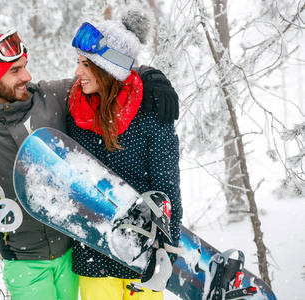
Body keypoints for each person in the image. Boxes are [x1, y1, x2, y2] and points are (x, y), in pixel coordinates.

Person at [0, 25, 178, 300]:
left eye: (24, 67)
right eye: (15, 70)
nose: (26, 76)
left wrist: (151, 76)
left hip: (73, 254)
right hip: (25, 262)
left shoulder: (52, 96)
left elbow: (107, 71)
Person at [67, 11, 182, 300]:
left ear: (109, 69)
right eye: (78, 63)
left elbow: (167, 185)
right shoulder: (74, 108)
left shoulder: (150, 111)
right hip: (92, 252)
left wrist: (168, 246)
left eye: (86, 65)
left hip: (141, 253)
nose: (78, 72)